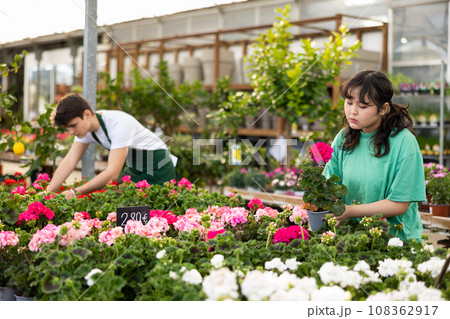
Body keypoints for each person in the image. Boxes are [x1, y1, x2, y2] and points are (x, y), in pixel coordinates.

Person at [323, 70, 426, 242]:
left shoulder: (404, 142)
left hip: (395, 241)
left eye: (363, 106)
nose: (352, 112)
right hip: (351, 238)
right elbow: (330, 185)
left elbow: (399, 204)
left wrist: (350, 211)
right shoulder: (344, 137)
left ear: (383, 108)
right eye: (349, 103)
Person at [46, 93, 178, 198]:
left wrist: (75, 192)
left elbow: (112, 173)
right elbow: (69, 161)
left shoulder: (119, 124)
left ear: (87, 114)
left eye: (73, 125)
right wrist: (47, 192)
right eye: (68, 128)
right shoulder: (85, 129)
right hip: (135, 169)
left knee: (158, 217)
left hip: (159, 168)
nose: (71, 132)